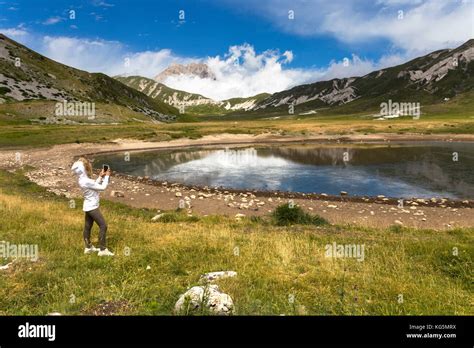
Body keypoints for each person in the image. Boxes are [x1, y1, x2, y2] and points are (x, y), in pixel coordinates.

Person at [71, 157, 114, 256]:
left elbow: (94, 186)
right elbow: (102, 188)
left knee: (87, 227)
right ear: (83, 169)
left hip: (87, 206)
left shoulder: (82, 180)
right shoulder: (86, 181)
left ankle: (88, 247)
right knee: (103, 225)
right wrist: (107, 176)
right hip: (93, 207)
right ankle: (103, 250)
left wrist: (100, 177)